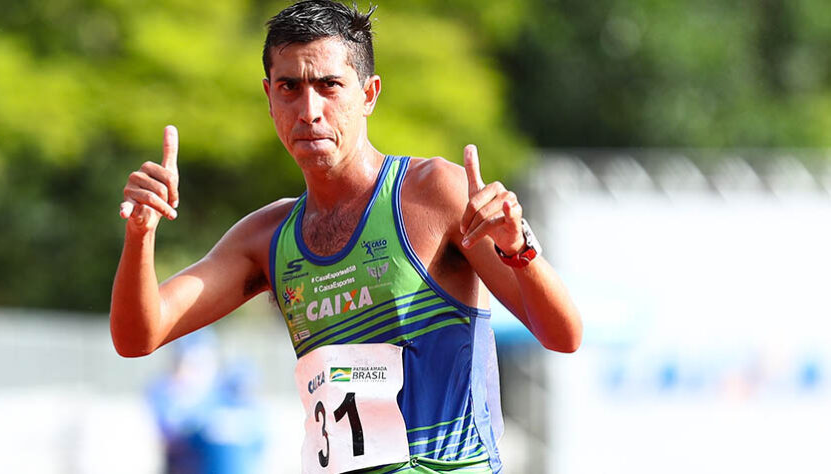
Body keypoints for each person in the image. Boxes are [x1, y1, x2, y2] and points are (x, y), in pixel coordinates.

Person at [110, 1, 582, 472]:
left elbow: (563, 335)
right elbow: (138, 336)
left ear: (369, 93)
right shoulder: (266, 237)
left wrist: (519, 250)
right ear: (269, 96)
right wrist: (140, 234)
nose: (309, 111)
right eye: (289, 88)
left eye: (329, 85)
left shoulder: (436, 194)